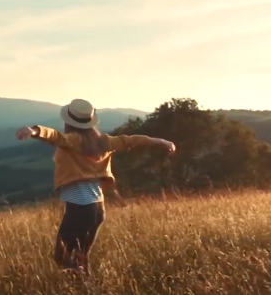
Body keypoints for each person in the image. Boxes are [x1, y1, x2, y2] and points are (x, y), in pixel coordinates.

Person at [15, 98, 175, 275]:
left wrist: (34, 130)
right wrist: (161, 142)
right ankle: (88, 286)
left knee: (63, 257)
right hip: (97, 209)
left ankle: (82, 285)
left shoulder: (75, 141)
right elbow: (132, 140)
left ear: (69, 121)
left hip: (80, 208)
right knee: (81, 257)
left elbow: (55, 136)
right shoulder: (105, 142)